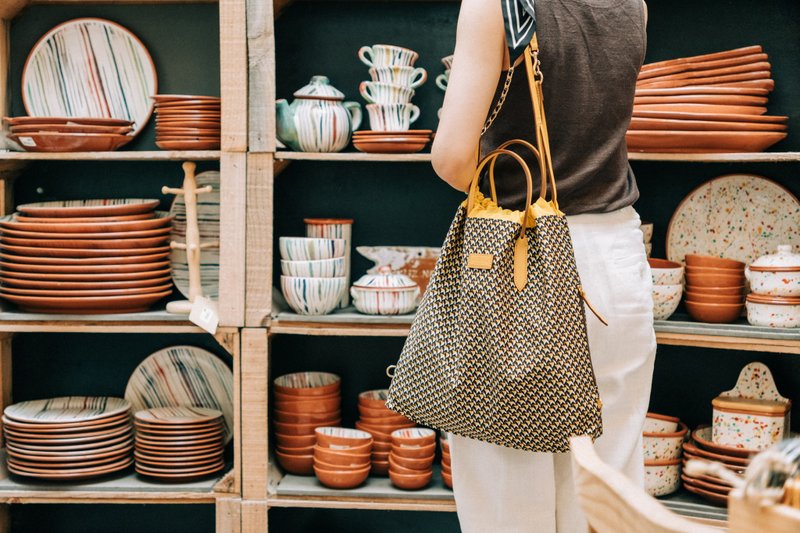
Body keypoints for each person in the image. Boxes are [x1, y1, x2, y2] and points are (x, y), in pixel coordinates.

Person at [430, 0, 655, 531]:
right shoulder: (634, 5)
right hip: (614, 256)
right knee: (605, 492)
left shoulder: (497, 5)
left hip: (519, 258)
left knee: (509, 504)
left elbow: (451, 158)